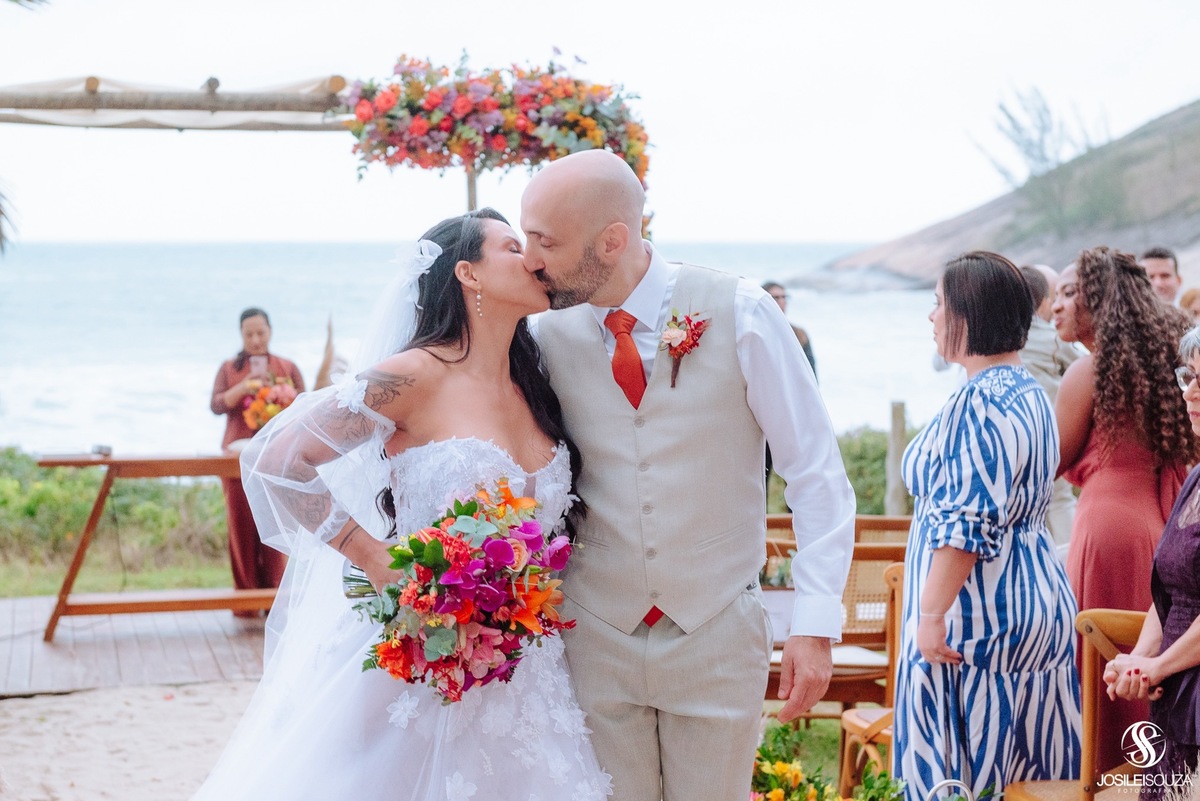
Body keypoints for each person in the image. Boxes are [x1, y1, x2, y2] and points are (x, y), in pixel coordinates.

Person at [191, 210, 611, 800]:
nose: (533, 259)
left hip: (530, 669)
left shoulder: (535, 381)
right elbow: (279, 461)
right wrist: (373, 557)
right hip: (422, 655)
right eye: (512, 247)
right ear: (468, 273)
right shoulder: (413, 376)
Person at [521, 150, 856, 801]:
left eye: (547, 241)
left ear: (612, 240)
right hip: (594, 632)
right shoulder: (539, 334)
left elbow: (815, 474)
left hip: (716, 629)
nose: (530, 258)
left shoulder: (744, 312)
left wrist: (814, 626)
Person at [894, 251, 1081, 801]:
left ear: (968, 316)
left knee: (964, 773)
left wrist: (929, 617)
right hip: (1034, 599)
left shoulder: (980, 402)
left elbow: (965, 525)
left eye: (938, 304)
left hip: (974, 615)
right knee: (1027, 771)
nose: (931, 317)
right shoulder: (1029, 393)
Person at [1052, 245, 1197, 772]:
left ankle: (1099, 772)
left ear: (1101, 303)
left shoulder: (1088, 373)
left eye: (1071, 293)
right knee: (1144, 658)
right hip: (1158, 526)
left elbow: (1046, 464)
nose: (1056, 307)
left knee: (1101, 664)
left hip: (1106, 529)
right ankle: (1148, 771)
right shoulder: (1157, 365)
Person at [1104, 327, 1200, 800]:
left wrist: (1158, 666)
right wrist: (1138, 660)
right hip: (1178, 694)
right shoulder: (1197, 475)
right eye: (1189, 377)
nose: (1191, 392)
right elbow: (1170, 595)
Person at [209, 307, 305, 594]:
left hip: (275, 458)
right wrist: (242, 389)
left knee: (275, 526)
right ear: (241, 335)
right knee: (240, 527)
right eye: (248, 334)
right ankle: (245, 601)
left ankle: (274, 595)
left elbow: (304, 408)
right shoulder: (230, 368)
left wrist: (279, 396)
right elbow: (215, 406)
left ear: (270, 331)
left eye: (260, 333)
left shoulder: (286, 367)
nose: (255, 340)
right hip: (236, 458)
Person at [1018, 263, 1081, 552]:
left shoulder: (1006, 340)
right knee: (1060, 500)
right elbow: (1083, 365)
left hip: (1017, 438)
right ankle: (1070, 560)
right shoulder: (1053, 339)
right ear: (1044, 303)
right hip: (1049, 435)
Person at [762, 280, 816, 378]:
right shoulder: (755, 332)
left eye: (784, 297)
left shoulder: (799, 334)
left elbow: (811, 373)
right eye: (776, 298)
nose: (782, 301)